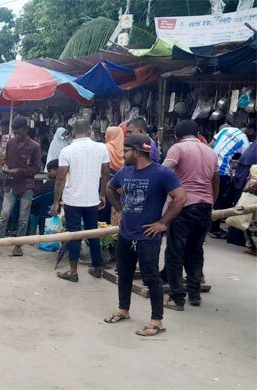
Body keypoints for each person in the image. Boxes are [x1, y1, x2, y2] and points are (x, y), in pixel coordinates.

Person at [104, 134, 187, 337]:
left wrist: (162, 222)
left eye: (125, 150)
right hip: (126, 234)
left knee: (151, 278)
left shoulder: (161, 173)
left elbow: (181, 197)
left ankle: (156, 321)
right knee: (124, 273)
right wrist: (120, 210)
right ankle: (124, 309)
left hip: (147, 237)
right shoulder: (125, 171)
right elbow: (109, 187)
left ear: (137, 151)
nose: (122, 154)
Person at [161, 120, 219, 311]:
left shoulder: (177, 149)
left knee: (175, 252)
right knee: (195, 250)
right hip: (205, 207)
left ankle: (177, 298)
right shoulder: (211, 152)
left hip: (183, 206)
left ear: (176, 136)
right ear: (198, 134)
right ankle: (194, 294)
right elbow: (215, 181)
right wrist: (210, 200)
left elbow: (164, 172)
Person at [52, 119, 110, 281]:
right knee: (93, 234)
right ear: (90, 130)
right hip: (92, 200)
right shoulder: (101, 148)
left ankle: (73, 271)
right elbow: (106, 173)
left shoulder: (67, 150)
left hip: (72, 200)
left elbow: (60, 179)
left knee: (74, 235)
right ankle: (97, 268)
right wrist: (102, 193)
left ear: (73, 132)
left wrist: (56, 202)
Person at [0, 116, 42, 257]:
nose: (17, 136)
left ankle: (18, 245)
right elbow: (5, 160)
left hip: (27, 185)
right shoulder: (10, 143)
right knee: (4, 215)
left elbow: (36, 169)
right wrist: (5, 167)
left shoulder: (35, 146)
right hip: (11, 184)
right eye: (15, 133)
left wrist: (19, 171)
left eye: (19, 133)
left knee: (23, 218)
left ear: (26, 130)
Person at [210, 121, 255, 238]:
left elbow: (210, 145)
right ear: (251, 131)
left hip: (209, 167)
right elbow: (244, 162)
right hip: (222, 172)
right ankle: (214, 229)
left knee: (206, 197)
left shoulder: (226, 130)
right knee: (219, 201)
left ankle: (204, 227)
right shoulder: (245, 143)